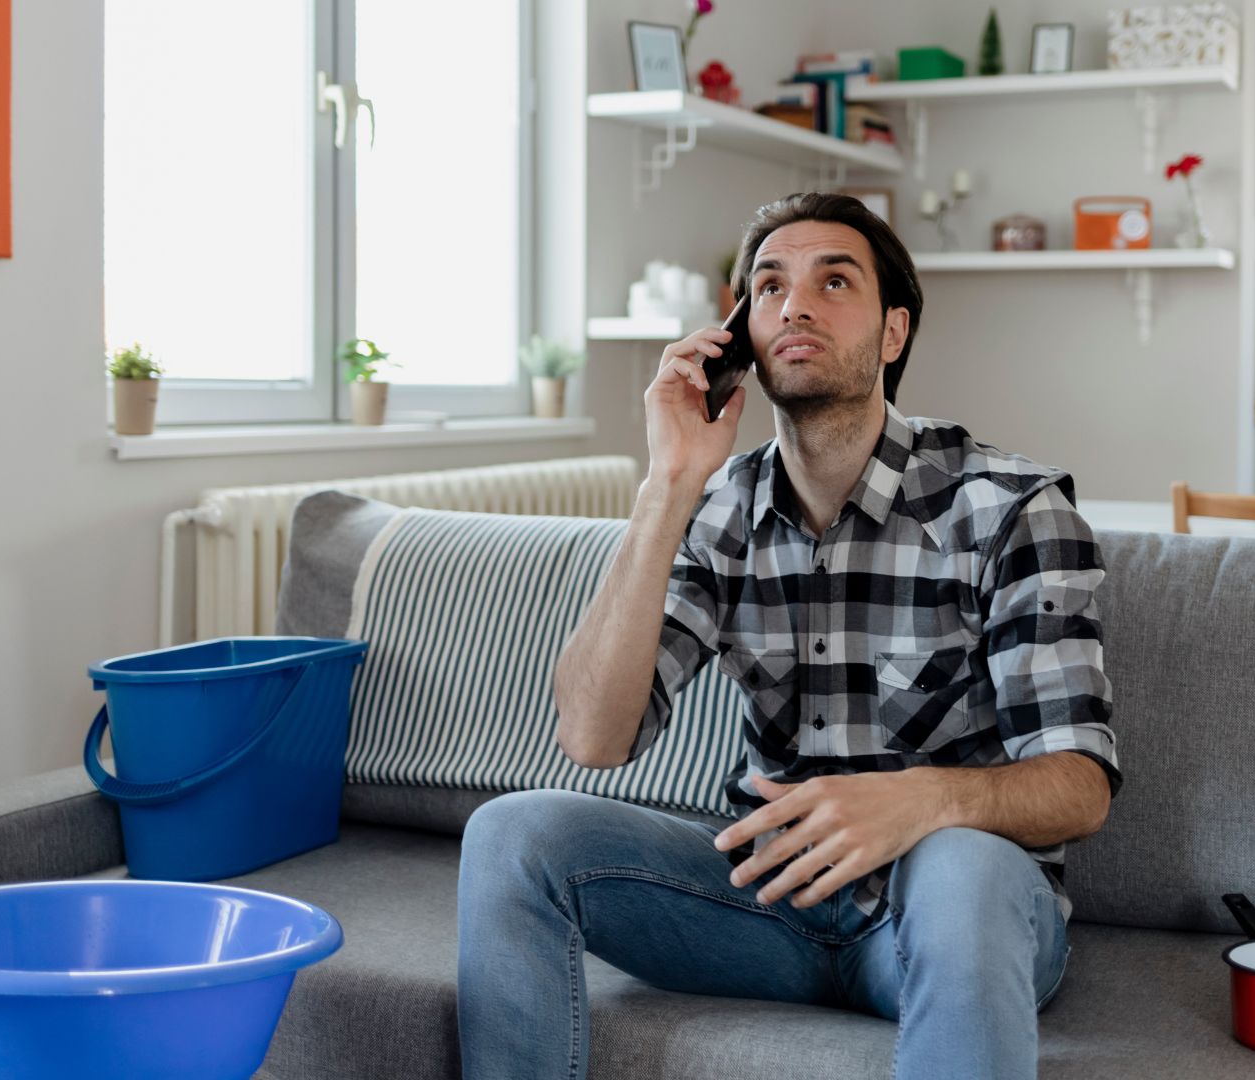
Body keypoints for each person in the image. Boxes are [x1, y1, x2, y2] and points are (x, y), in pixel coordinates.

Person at [456, 192, 1120, 1080]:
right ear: (742, 338)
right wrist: (667, 486)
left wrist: (919, 802)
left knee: (963, 864)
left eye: (832, 281)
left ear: (893, 333)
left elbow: (1080, 783)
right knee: (510, 833)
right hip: (766, 912)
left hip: (945, 917)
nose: (794, 304)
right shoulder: (718, 508)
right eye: (768, 287)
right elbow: (592, 735)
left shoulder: (1009, 508)